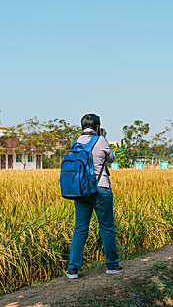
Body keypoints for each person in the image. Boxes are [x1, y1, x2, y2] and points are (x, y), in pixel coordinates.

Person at [67, 113, 123, 279]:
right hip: (101, 189)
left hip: (81, 191)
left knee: (80, 228)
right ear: (97, 127)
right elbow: (111, 158)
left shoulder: (75, 142)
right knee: (106, 227)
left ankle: (73, 269)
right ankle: (112, 264)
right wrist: (103, 137)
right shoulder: (101, 140)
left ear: (82, 127)